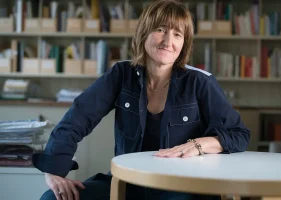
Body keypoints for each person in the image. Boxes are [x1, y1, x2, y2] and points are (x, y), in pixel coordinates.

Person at [33, 0, 251, 199]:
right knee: (51, 198)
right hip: (129, 183)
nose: (168, 41)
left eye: (178, 34)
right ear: (144, 33)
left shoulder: (200, 82)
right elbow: (78, 117)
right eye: (160, 30)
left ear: (184, 43)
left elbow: (239, 134)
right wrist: (54, 169)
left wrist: (201, 144)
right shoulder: (121, 74)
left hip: (183, 189)